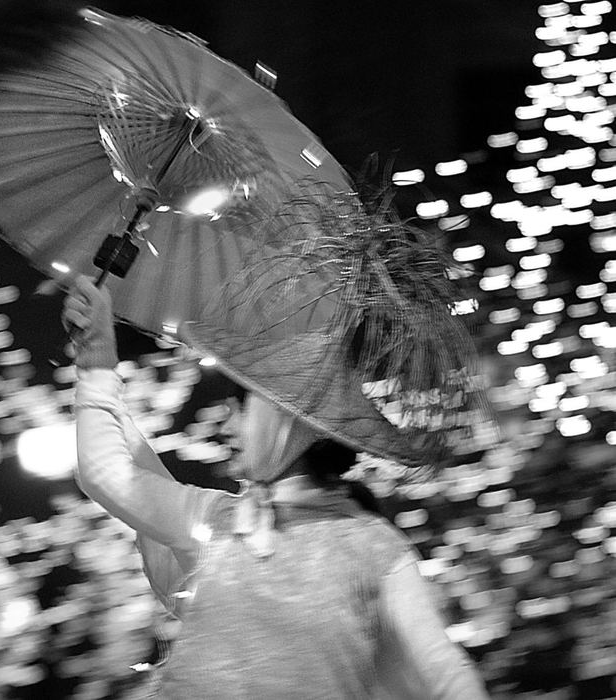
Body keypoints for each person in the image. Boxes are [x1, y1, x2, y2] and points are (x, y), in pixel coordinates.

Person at [62, 185, 495, 698]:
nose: (229, 426)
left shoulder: (372, 548)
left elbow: (442, 672)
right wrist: (94, 356)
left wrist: (97, 365)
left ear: (279, 424)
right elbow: (110, 473)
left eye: (242, 409)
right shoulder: (219, 520)